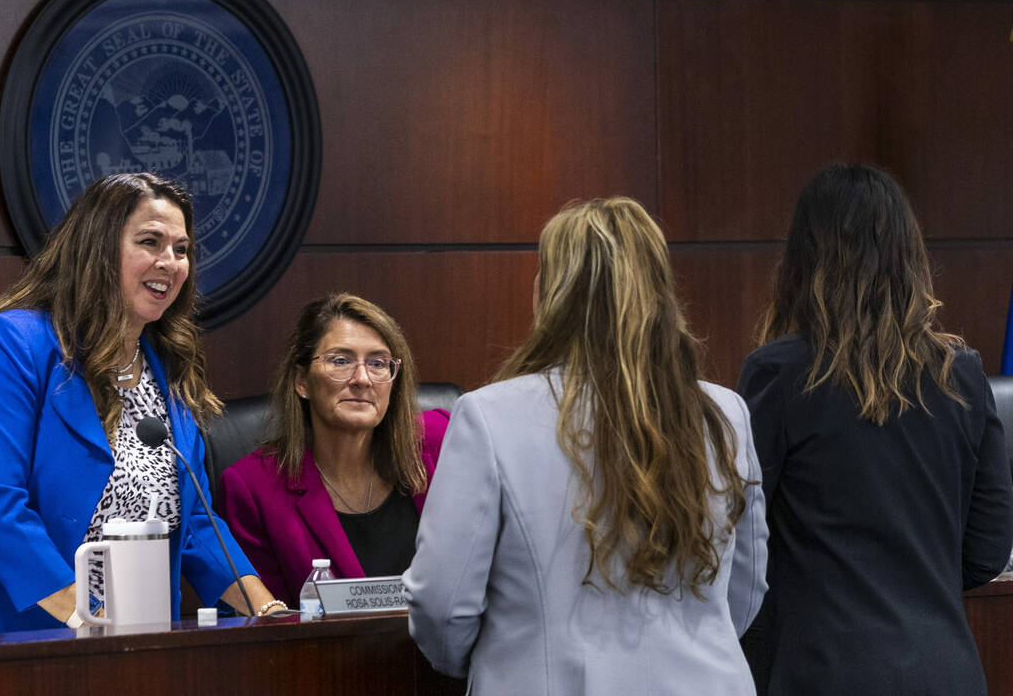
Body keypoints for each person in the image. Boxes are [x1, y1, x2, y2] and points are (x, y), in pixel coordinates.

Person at [404, 197, 768, 694]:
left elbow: (441, 604)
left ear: (554, 292)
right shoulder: (724, 412)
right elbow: (744, 592)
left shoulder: (490, 417)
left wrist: (508, 659)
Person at [0, 172, 281, 633]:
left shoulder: (168, 365)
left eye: (181, 250)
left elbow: (196, 518)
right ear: (97, 249)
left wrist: (269, 611)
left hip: (116, 632)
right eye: (150, 242)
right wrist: (90, 619)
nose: (171, 262)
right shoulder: (12, 345)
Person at [737, 163, 1013, 694]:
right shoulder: (962, 374)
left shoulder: (778, 374)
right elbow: (986, 551)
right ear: (910, 258)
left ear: (803, 259)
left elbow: (744, 544)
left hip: (822, 672)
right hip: (948, 673)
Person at [217, 293, 450, 606]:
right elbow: (274, 627)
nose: (362, 379)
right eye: (340, 361)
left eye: (378, 363)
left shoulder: (442, 440)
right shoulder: (253, 489)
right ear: (302, 381)